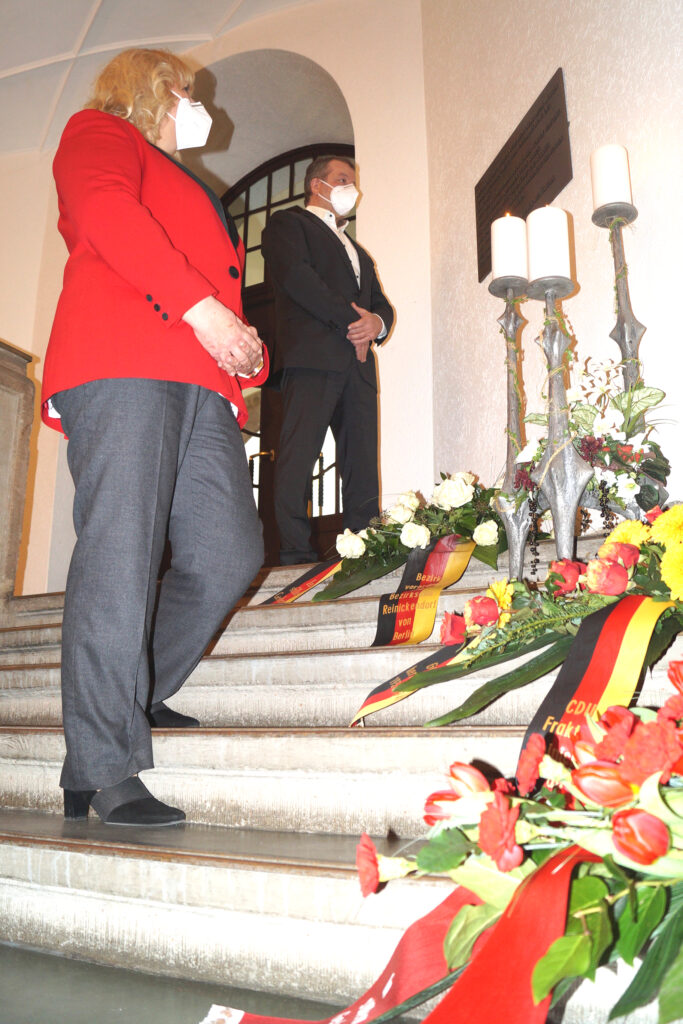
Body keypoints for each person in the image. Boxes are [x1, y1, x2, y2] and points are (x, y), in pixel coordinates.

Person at [41, 48, 268, 827]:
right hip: (123, 358)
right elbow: (106, 214)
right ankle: (99, 767)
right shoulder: (99, 131)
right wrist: (206, 312)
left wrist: (242, 348)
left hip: (203, 384)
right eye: (186, 94)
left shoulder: (192, 185)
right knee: (121, 550)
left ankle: (131, 696)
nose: (195, 108)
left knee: (227, 552)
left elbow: (214, 280)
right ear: (154, 92)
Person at [261, 156, 393, 565]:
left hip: (358, 369)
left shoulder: (359, 251)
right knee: (298, 459)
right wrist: (355, 325)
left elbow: (382, 307)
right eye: (342, 180)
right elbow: (300, 281)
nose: (352, 189)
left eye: (353, 181)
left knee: (362, 466)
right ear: (317, 185)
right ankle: (294, 553)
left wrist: (376, 324)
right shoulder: (288, 225)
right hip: (312, 360)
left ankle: (364, 551)